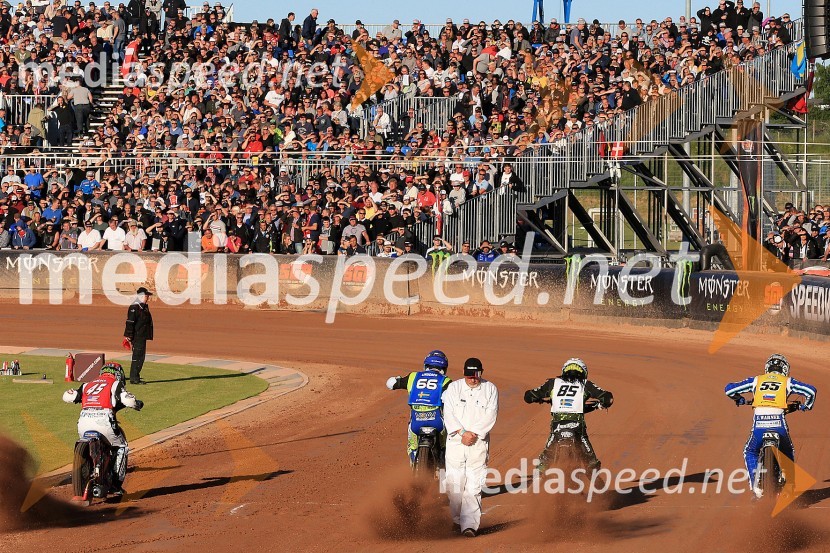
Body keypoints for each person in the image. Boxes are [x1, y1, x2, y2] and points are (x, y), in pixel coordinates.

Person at [724, 354, 816, 498]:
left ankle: (755, 485)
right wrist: (806, 406)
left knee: (750, 451)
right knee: (788, 450)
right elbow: (811, 391)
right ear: (785, 369)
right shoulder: (787, 381)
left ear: (767, 368)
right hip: (779, 423)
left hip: (759, 425)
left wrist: (739, 399)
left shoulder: (756, 380)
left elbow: (729, 389)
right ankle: (789, 484)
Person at [62, 362, 144, 497]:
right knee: (121, 446)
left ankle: (89, 469)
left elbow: (67, 396)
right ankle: (116, 485)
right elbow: (128, 400)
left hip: (83, 422)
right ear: (119, 375)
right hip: (104, 421)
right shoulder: (115, 384)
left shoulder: (87, 384)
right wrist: (137, 404)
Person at [442, 357, 499, 538]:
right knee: (454, 484)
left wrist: (473, 433)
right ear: (463, 373)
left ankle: (469, 526)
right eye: (469, 376)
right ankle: (457, 520)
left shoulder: (490, 389)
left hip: (478, 443)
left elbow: (491, 414)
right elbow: (448, 412)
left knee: (474, 484)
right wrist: (462, 432)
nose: (472, 379)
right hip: (456, 441)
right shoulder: (454, 388)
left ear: (481, 373)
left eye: (475, 375)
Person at [524, 358, 614, 471]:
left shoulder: (552, 383)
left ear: (564, 370)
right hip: (577, 424)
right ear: (583, 372)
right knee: (588, 454)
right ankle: (592, 468)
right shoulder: (586, 384)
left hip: (558, 424)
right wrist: (600, 404)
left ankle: (540, 471)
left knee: (547, 453)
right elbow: (608, 398)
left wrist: (537, 398)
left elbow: (528, 396)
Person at [386, 350, 452, 465]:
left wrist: (397, 379)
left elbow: (390, 384)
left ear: (426, 365)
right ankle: (443, 463)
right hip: (437, 422)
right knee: (446, 446)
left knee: (412, 447)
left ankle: (414, 459)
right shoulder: (447, 381)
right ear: (444, 368)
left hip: (416, 422)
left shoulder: (413, 377)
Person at [123, 287, 154, 385]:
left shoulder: (143, 307)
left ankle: (135, 377)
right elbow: (130, 322)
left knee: (141, 357)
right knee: (137, 357)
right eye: (146, 296)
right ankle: (134, 378)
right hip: (137, 336)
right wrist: (128, 335)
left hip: (142, 335)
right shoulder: (134, 307)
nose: (148, 298)